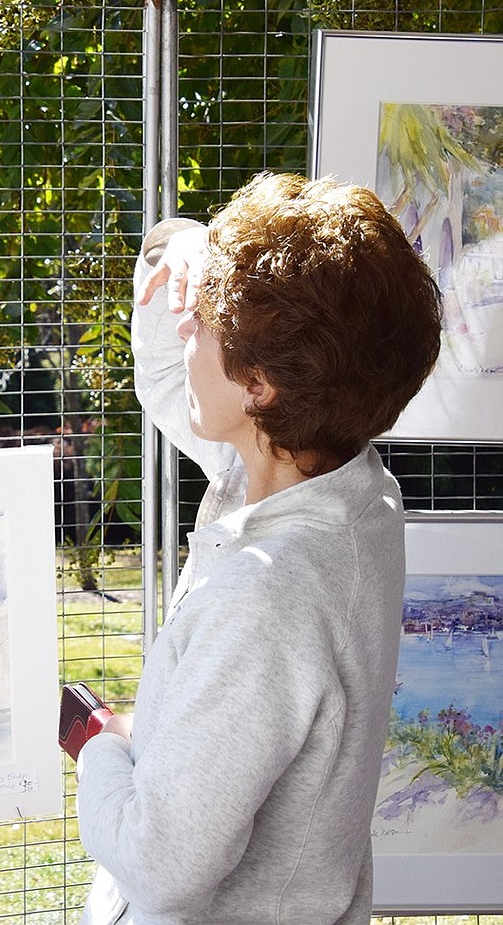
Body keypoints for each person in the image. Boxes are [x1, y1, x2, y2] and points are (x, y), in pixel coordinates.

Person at [75, 172, 442, 925]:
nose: (186, 331)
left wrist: (100, 747)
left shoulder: (265, 598)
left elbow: (163, 864)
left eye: (205, 321)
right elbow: (165, 371)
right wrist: (181, 247)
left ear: (260, 386)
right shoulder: (351, 487)